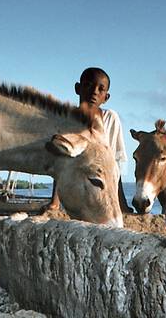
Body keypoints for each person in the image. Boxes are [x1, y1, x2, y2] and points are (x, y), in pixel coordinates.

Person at [49, 66, 133, 214]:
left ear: (106, 97)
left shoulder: (110, 119)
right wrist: (54, 203)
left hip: (100, 193)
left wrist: (122, 204)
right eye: (88, 85)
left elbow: (114, 164)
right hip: (74, 191)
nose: (94, 91)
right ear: (78, 88)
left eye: (101, 89)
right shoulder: (65, 120)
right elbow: (61, 163)